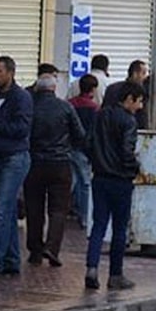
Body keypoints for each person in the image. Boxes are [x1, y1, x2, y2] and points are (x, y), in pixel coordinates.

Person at [85, 82, 144, 290]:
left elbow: (88, 143)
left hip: (99, 177)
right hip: (120, 180)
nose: (140, 106)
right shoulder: (128, 121)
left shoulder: (100, 115)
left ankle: (91, 268)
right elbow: (127, 151)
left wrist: (97, 162)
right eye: (138, 101)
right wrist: (134, 167)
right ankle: (115, 274)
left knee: (99, 224)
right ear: (129, 99)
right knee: (120, 228)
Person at [24, 66, 85, 267]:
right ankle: (52, 247)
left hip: (34, 163)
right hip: (60, 164)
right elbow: (79, 135)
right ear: (54, 88)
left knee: (34, 208)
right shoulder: (66, 107)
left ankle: (34, 250)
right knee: (58, 209)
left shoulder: (29, 107)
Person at [0, 56, 32, 276]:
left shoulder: (21, 97)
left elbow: (21, 127)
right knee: (7, 211)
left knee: (0, 210)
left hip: (14, 157)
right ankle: (11, 259)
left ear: (10, 73)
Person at [69, 74, 99, 230]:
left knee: (72, 181)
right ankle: (85, 217)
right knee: (85, 183)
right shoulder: (94, 108)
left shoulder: (70, 104)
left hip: (69, 147)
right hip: (84, 150)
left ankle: (63, 211)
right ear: (93, 89)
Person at [104, 60, 149, 128]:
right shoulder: (141, 92)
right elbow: (142, 118)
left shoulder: (112, 88)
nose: (145, 77)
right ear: (135, 74)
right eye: (143, 73)